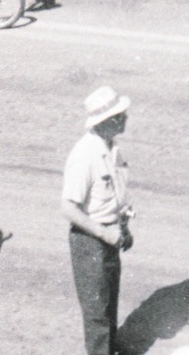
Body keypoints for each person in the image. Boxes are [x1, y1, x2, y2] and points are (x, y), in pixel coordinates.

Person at [62, 87, 133, 355]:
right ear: (107, 121)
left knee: (109, 303)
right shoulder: (84, 155)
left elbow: (116, 195)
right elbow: (68, 208)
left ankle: (109, 349)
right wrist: (105, 234)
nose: (125, 117)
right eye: (120, 114)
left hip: (111, 235)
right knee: (97, 313)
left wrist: (124, 228)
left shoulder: (112, 149)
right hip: (89, 241)